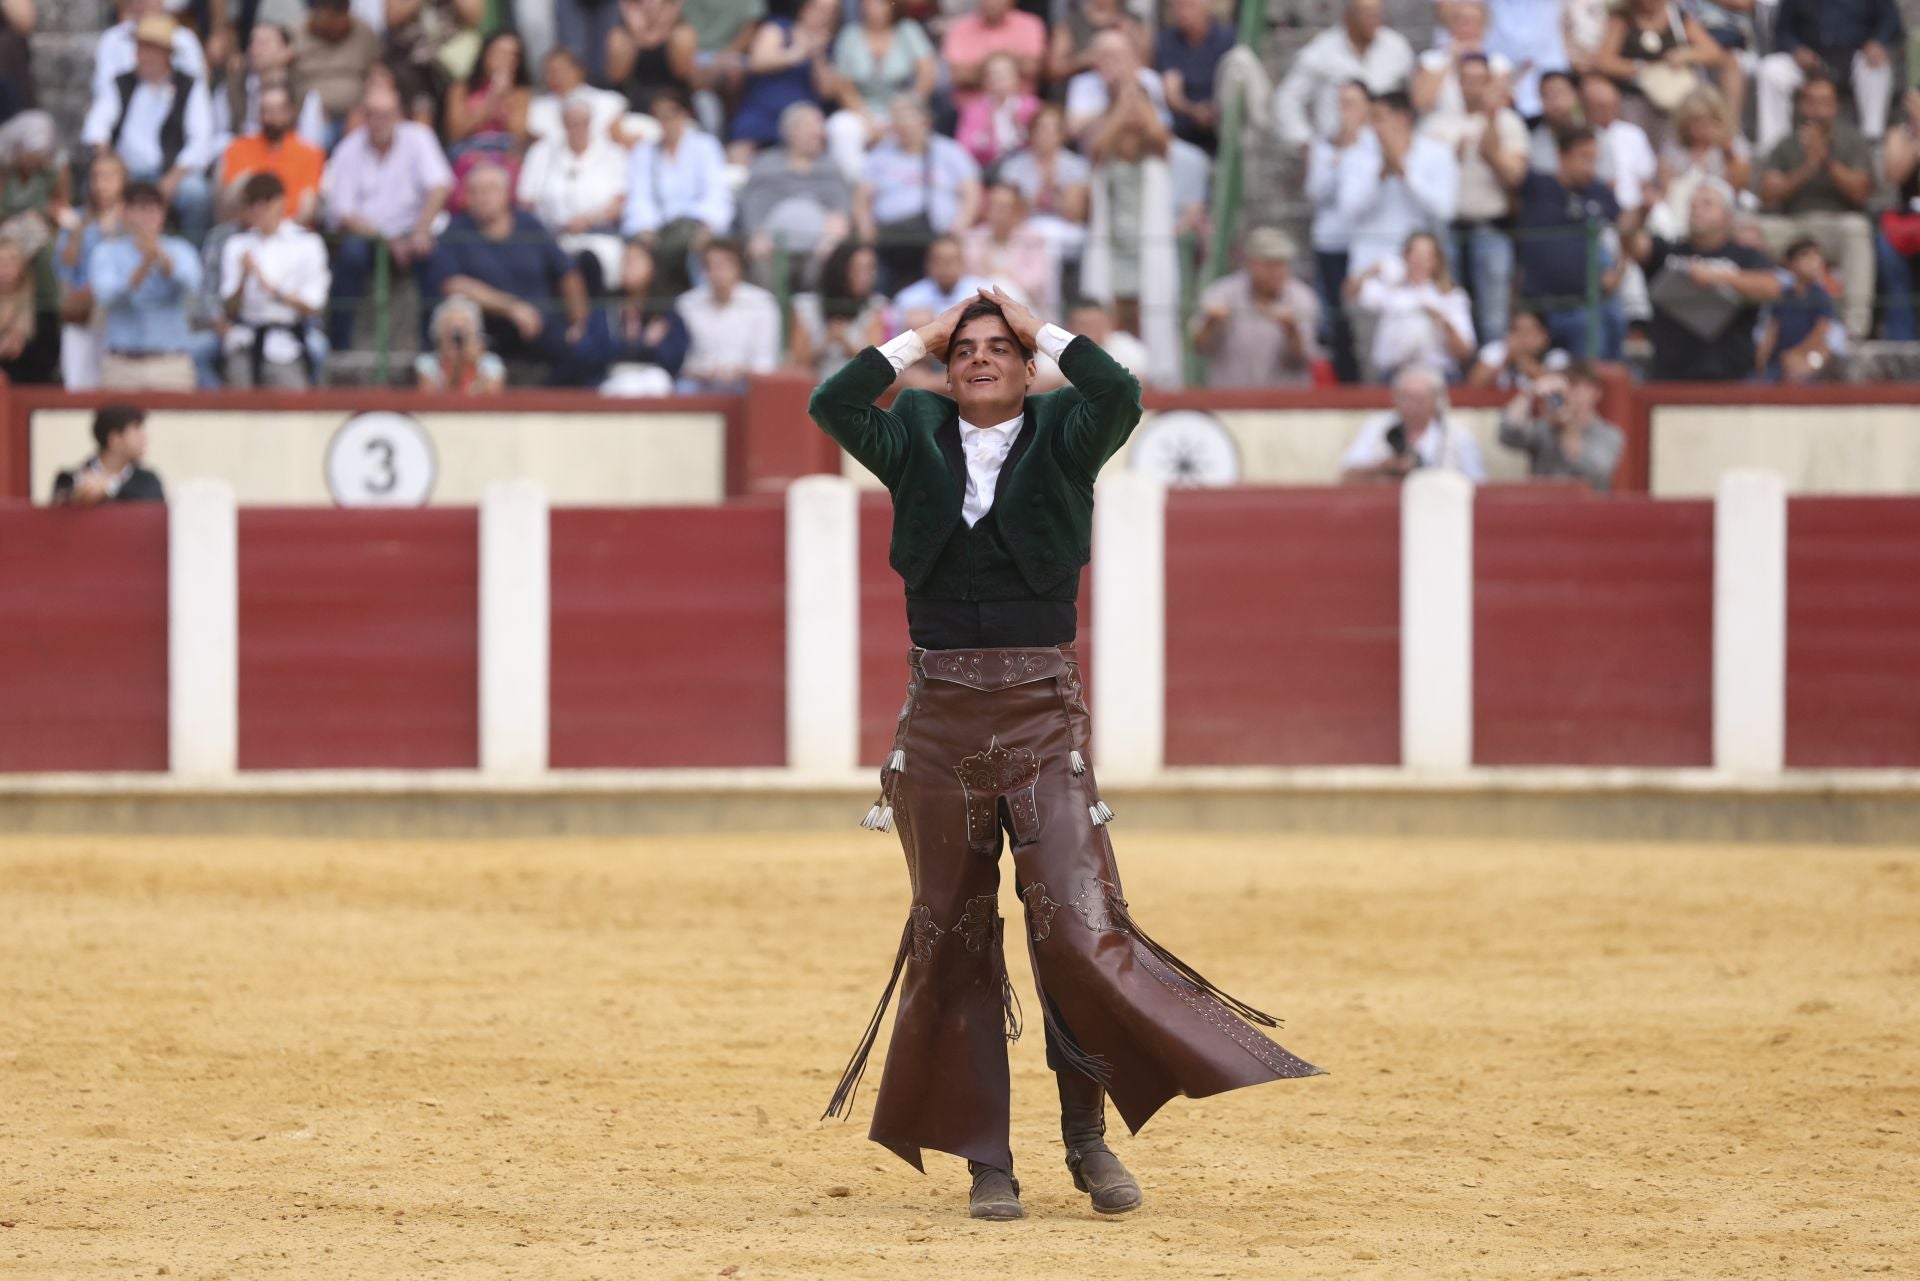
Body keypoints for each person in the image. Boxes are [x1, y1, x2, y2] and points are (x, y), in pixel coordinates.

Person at [809, 284, 1323, 1223]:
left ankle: (1086, 1143)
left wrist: (1043, 326)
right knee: (952, 936)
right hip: (941, 724)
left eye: (998, 347)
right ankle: (985, 1161)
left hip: (1044, 718)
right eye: (962, 349)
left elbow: (1119, 392)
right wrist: (910, 339)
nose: (978, 358)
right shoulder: (913, 433)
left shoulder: (1065, 435)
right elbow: (833, 404)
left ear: (1028, 362)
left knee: (1077, 933)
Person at [424, 162, 591, 377]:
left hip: (542, 325)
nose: (482, 197)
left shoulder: (529, 225)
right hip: (486, 329)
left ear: (506, 194)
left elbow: (566, 270)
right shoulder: (456, 231)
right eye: (475, 191)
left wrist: (578, 321)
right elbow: (453, 284)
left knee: (586, 352)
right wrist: (512, 308)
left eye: (490, 190)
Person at [320, 80, 452, 352]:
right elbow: (343, 213)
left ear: (398, 115)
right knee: (351, 256)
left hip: (414, 230)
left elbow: (440, 186)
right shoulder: (348, 149)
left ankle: (434, 348)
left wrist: (420, 229)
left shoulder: (419, 137)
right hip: (369, 237)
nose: (378, 121)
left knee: (439, 259)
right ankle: (339, 346)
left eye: (385, 115)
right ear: (363, 116)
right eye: (372, 114)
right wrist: (387, 241)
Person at [1756, 74, 1876, 340]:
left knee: (1857, 229)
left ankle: (1854, 328)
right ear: (1800, 106)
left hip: (1836, 222)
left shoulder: (1852, 141)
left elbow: (1862, 192)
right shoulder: (1786, 144)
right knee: (1750, 230)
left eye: (1825, 103)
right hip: (1792, 224)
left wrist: (1826, 161)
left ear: (1835, 107)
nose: (1817, 110)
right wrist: (1807, 168)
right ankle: (1758, 326)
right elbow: (1766, 194)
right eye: (1811, 102)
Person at [1421, 53, 1527, 344]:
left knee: (1493, 311)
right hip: (1447, 231)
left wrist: (1489, 143)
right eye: (1467, 79)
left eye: (1481, 80)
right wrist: (1447, 160)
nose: (1474, 87)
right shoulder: (1436, 125)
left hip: (1490, 226)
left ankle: (1493, 370)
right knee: (1450, 309)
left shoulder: (1508, 123)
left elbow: (1516, 176)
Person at [81, 13, 216, 240]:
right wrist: (109, 163)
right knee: (93, 185)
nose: (139, 55)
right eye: (139, 48)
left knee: (197, 194)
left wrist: (172, 179)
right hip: (127, 172)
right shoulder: (122, 82)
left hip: (169, 172)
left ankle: (191, 249)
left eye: (147, 49)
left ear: (166, 54)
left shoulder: (189, 86)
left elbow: (201, 140)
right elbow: (97, 124)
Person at [1630, 179, 1781, 381]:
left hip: (1730, 375)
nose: (1697, 210)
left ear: (1727, 215)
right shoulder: (1669, 251)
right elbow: (1630, 243)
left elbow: (1772, 287)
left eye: (1707, 204)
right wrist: (1642, 211)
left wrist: (1718, 276)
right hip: (1672, 375)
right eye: (1693, 205)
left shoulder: (1745, 256)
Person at [1512, 127, 1626, 359]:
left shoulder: (1599, 192)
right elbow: (1500, 162)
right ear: (1562, 155)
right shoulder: (1537, 186)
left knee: (1607, 325)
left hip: (1583, 305)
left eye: (1594, 159)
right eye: (1584, 157)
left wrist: (1618, 270)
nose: (1589, 167)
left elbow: (1628, 231)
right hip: (1538, 309)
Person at [855, 94, 982, 289]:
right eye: (897, 119)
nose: (902, 125)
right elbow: (862, 198)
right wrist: (866, 231)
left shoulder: (948, 151)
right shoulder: (880, 155)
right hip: (891, 240)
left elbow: (971, 191)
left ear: (925, 121)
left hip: (937, 238)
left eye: (908, 118)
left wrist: (960, 225)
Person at [621, 85, 735, 298]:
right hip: (659, 231)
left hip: (695, 226)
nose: (666, 122)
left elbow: (716, 192)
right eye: (660, 116)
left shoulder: (705, 146)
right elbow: (639, 197)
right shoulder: (645, 152)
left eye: (670, 114)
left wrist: (707, 225)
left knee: (689, 250)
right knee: (642, 256)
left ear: (684, 114)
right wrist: (645, 227)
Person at [219, 172, 329, 388]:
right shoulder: (237, 245)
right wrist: (244, 278)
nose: (259, 210)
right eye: (252, 203)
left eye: (265, 202)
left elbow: (314, 306)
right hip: (246, 341)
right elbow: (228, 308)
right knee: (235, 414)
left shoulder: (307, 243)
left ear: (280, 202)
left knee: (295, 414)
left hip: (288, 343)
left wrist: (272, 290)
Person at [89, 180, 201, 390]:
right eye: (139, 210)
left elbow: (191, 285)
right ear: (126, 213)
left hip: (171, 362)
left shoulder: (180, 249)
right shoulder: (107, 252)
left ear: (163, 214)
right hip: (121, 364)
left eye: (153, 210)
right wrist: (143, 267)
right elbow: (107, 296)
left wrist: (161, 258)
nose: (147, 217)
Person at [1336, 90, 1459, 279]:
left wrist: (1405, 174)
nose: (1373, 127)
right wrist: (1380, 175)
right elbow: (1348, 209)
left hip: (1421, 267)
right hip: (1369, 264)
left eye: (1379, 119)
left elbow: (1445, 210)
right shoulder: (1355, 156)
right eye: (1371, 120)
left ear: (1403, 118)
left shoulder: (1438, 154)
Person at [518, 90, 630, 286]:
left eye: (582, 122)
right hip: (552, 237)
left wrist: (587, 220)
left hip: (600, 237)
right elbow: (525, 200)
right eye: (571, 123)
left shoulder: (614, 154)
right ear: (563, 124)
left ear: (590, 123)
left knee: (593, 263)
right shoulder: (541, 152)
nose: (577, 128)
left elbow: (620, 202)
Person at [1757, 0, 1901, 153]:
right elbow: (1782, 29)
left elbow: (1891, 20)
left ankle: (1872, 140)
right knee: (1771, 70)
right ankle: (1773, 148)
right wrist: (1796, 49)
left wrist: (1878, 41)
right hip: (1811, 60)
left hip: (1854, 57)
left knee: (1877, 68)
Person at [736, 101, 852, 291]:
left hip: (818, 249)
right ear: (791, 132)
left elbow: (840, 214)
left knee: (830, 265)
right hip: (773, 249)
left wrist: (831, 239)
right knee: (761, 266)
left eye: (819, 127)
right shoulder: (766, 165)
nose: (818, 133)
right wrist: (757, 236)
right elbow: (753, 209)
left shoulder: (830, 167)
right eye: (811, 127)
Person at [1191, 225, 1321, 389]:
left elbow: (1304, 359)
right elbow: (1198, 348)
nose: (1278, 272)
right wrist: (1210, 323)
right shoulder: (1222, 293)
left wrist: (1291, 330)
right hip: (1231, 403)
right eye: (1270, 264)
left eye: (1282, 264)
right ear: (1250, 263)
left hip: (1287, 407)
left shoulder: (1302, 297)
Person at [1273, 0, 1415, 149]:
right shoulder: (1321, 51)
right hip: (1336, 152)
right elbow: (1287, 99)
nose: (1374, 19)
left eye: (1377, 13)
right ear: (1348, 16)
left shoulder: (1397, 47)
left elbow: (1415, 95)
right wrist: (1304, 142)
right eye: (1366, 13)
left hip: (1386, 151)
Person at [1348, 229, 1476, 383]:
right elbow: (1350, 292)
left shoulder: (1451, 297)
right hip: (1394, 376)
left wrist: (1442, 321)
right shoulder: (1391, 290)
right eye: (1414, 254)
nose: (1419, 261)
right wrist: (1372, 269)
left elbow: (1465, 353)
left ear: (1437, 261)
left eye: (1426, 256)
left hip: (1439, 376)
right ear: (1405, 257)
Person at [1305, 78, 1370, 383]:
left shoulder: (1375, 144)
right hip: (1332, 241)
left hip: (1367, 242)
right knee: (1336, 317)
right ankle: (1345, 378)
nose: (1345, 111)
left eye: (1352, 103)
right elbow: (1317, 191)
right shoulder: (1324, 145)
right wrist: (1338, 154)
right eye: (1341, 104)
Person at [829, 0, 936, 180]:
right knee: (840, 127)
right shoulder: (850, 35)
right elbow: (843, 85)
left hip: (902, 106)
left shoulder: (907, 30)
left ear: (891, 6)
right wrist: (866, 119)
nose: (873, 9)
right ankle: (860, 183)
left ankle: (898, 184)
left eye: (879, 4)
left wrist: (910, 105)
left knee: (911, 128)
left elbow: (928, 72)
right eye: (868, 4)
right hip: (863, 108)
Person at [54, 151, 129, 391]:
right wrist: (78, 233)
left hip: (120, 315)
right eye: (95, 177)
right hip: (82, 315)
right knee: (78, 387)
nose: (100, 184)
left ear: (123, 181)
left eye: (108, 177)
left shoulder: (133, 220)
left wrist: (112, 234)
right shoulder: (76, 219)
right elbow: (63, 268)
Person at [729, 0, 838, 163]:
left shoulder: (830, 45)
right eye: (819, 9)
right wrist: (797, 53)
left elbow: (827, 91)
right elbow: (757, 62)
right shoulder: (778, 28)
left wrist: (817, 57)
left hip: (802, 115)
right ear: (805, 7)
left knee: (812, 134)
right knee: (741, 148)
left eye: (831, 12)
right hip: (763, 109)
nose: (824, 16)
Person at [1340, 362, 1487, 482]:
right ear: (1395, 398)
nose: (1412, 406)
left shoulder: (1457, 434)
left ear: (1435, 402)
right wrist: (1383, 467)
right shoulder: (1377, 426)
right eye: (1406, 398)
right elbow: (1346, 477)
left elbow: (1478, 483)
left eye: (1419, 400)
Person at [1496, 361, 1623, 492]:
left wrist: (1567, 426)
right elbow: (1508, 434)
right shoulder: (1545, 427)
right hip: (1543, 506)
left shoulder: (1609, 434)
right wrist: (1530, 391)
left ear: (1596, 392)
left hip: (1588, 509)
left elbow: (1595, 472)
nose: (1569, 393)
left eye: (1574, 385)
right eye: (1565, 387)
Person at [675, 236, 780, 391]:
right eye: (711, 265)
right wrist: (702, 372)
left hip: (745, 384)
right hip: (699, 383)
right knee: (682, 389)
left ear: (739, 268)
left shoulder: (762, 303)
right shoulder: (686, 304)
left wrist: (740, 373)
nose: (718, 272)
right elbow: (681, 360)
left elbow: (765, 361)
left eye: (724, 265)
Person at [592, 237, 690, 393]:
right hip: (612, 380)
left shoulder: (665, 311)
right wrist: (636, 342)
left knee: (657, 380)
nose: (628, 266)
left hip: (654, 382)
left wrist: (647, 347)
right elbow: (592, 353)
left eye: (635, 260)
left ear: (652, 266)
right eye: (625, 260)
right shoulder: (608, 307)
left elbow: (674, 358)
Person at [220, 82, 324, 224]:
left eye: (278, 110)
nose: (272, 118)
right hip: (247, 231)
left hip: (292, 233)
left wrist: (278, 233)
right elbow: (230, 204)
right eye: (266, 111)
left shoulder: (310, 153)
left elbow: (307, 208)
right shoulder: (238, 149)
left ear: (290, 112)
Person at [289, 0, 381, 141]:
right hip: (305, 117)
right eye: (328, 16)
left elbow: (377, 76)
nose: (334, 24)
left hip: (355, 118)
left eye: (338, 16)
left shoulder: (363, 32)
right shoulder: (296, 32)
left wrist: (363, 108)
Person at [941, 0, 1047, 117]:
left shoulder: (1029, 24)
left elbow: (1032, 67)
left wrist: (980, 69)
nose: (992, 2)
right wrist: (1007, 67)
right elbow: (959, 75)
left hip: (1023, 113)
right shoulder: (959, 28)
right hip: (968, 113)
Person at [961, 182, 1054, 314]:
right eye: (994, 206)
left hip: (1024, 304)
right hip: (980, 303)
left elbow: (1036, 281)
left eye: (1004, 207)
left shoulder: (1033, 237)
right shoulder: (974, 237)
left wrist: (1006, 277)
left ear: (1017, 211)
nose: (997, 212)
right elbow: (967, 277)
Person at [1156, 0, 1236, 152]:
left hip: (1222, 125)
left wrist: (1214, 111)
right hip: (1183, 132)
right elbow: (1172, 93)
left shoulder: (1229, 38)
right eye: (1178, 6)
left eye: (1189, 5)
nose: (1183, 12)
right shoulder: (1167, 41)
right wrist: (1194, 111)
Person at [1757, 238, 1837, 382]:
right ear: (1790, 264)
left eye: (1816, 257)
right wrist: (1762, 356)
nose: (1813, 262)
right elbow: (1772, 328)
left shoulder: (1821, 297)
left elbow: (1821, 331)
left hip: (1807, 355)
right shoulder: (1783, 296)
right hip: (1780, 356)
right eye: (1805, 256)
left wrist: (1797, 353)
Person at [52, 405, 164, 506]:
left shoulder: (149, 481)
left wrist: (108, 488)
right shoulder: (71, 478)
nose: (144, 437)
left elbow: (152, 504)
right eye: (136, 429)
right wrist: (77, 496)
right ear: (115, 439)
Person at [605, 0, 697, 117]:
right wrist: (637, 34)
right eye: (640, 3)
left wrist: (664, 29)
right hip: (633, 110)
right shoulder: (620, 36)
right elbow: (616, 77)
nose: (651, 6)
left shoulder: (682, 33)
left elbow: (682, 72)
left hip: (674, 109)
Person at [955, 51, 1041, 171]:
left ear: (1017, 78)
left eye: (1006, 74)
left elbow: (1041, 141)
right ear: (984, 81)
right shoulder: (974, 110)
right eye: (994, 74)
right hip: (987, 170)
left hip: (1027, 167)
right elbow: (964, 149)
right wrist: (986, 129)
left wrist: (1016, 121)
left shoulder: (1031, 106)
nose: (1000, 79)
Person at [414, 295, 505, 392]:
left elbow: (492, 397)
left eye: (464, 326)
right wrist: (454, 367)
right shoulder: (427, 363)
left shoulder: (489, 362)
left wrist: (473, 364)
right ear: (438, 332)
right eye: (448, 326)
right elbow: (430, 398)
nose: (456, 336)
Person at [1466, 309, 1570, 390]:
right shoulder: (1498, 350)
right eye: (1517, 331)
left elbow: (1557, 388)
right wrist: (1506, 359)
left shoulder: (1557, 357)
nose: (1522, 339)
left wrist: (1523, 361)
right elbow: (1473, 386)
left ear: (1544, 336)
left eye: (1528, 332)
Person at [894, 234, 988, 317]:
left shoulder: (982, 293)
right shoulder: (908, 299)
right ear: (927, 264)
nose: (944, 268)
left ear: (962, 263)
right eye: (938, 262)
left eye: (949, 262)